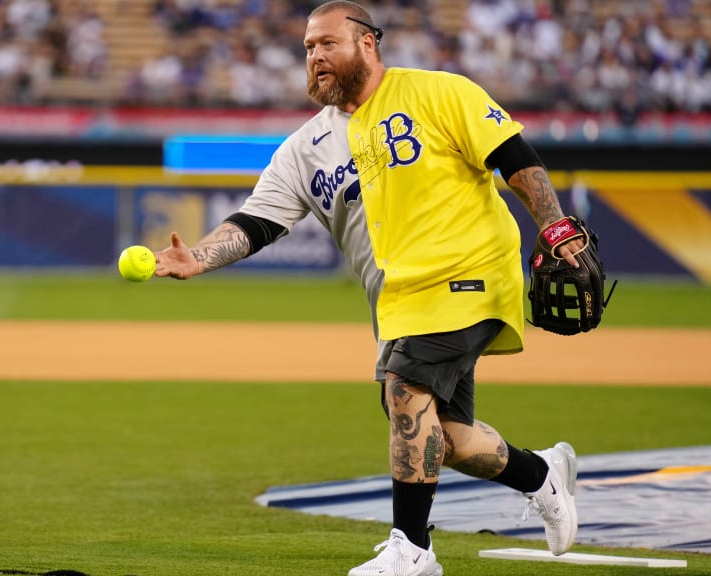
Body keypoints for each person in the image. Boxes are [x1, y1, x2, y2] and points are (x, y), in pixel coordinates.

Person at [154, 2, 587, 575]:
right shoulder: (303, 150)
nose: (315, 57)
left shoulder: (439, 93)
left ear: (368, 44)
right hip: (401, 301)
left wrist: (556, 227)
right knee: (445, 440)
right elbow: (256, 223)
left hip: (472, 269)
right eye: (308, 48)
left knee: (404, 388)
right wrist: (198, 257)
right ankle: (541, 474)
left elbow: (513, 157)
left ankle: (413, 550)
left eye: (327, 44)